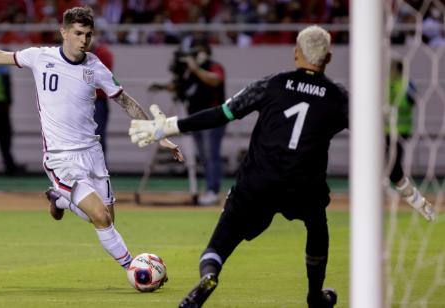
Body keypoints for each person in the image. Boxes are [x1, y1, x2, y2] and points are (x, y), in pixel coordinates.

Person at [129, 25, 437, 307]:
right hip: (304, 185)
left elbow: (222, 114)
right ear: (328, 57)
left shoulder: (272, 85)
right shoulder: (340, 98)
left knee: (226, 234)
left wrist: (167, 127)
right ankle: (315, 295)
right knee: (318, 228)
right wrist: (410, 193)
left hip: (258, 179)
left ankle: (209, 274)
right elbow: (379, 148)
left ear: (295, 52)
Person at [0, 6, 183, 272]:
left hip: (92, 153)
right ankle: (136, 270)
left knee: (107, 219)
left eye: (89, 35)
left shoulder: (95, 66)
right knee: (100, 216)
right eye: (78, 33)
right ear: (64, 32)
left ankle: (60, 199)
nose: (84, 40)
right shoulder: (40, 57)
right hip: (61, 157)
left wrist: (157, 134)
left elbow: (124, 100)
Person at [149, 38, 226, 205]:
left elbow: (215, 79)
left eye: (198, 51)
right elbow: (180, 87)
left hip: (213, 119)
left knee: (211, 155)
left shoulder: (214, 66)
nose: (195, 55)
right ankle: (209, 190)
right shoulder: (190, 72)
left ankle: (213, 191)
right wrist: (162, 86)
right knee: (204, 157)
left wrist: (195, 69)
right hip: (196, 118)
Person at [386, 59, 433, 219]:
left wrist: (397, 102)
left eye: (392, 68)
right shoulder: (383, 83)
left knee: (396, 159)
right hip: (385, 130)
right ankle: (390, 185)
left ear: (398, 70)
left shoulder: (406, 84)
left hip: (401, 129)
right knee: (387, 160)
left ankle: (396, 186)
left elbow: (412, 102)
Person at [90, 38, 113, 155]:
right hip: (80, 101)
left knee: (98, 135)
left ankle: (100, 168)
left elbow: (102, 77)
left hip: (97, 100)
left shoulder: (102, 53)